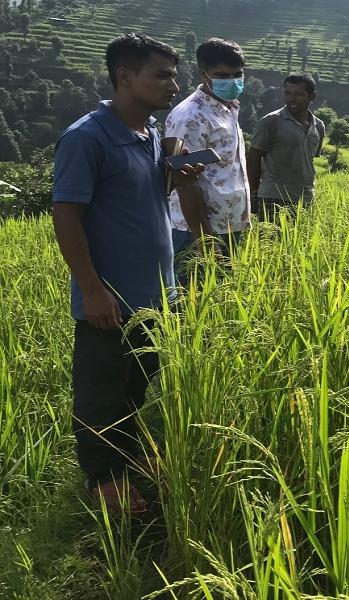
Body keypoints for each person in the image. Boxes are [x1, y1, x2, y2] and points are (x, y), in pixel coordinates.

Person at [51, 33, 204, 515]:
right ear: (125, 77)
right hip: (110, 301)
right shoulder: (86, 137)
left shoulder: (151, 134)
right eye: (162, 75)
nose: (173, 85)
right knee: (102, 393)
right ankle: (105, 484)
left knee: (136, 388)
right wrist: (92, 290)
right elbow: (66, 216)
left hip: (157, 295)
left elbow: (143, 198)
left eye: (173, 76)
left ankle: (127, 460)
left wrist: (177, 177)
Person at [166, 38, 251, 281]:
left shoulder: (230, 107)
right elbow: (185, 181)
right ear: (204, 74)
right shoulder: (190, 116)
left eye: (237, 74)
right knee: (192, 296)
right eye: (222, 75)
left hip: (230, 223)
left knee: (222, 296)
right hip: (197, 230)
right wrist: (205, 239)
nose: (232, 81)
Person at [247, 73, 327, 218]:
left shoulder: (319, 126)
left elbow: (308, 160)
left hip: (306, 198)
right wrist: (253, 194)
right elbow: (253, 157)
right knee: (272, 233)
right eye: (288, 93)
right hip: (273, 196)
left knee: (302, 234)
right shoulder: (271, 121)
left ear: (312, 96)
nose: (291, 99)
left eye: (298, 94)